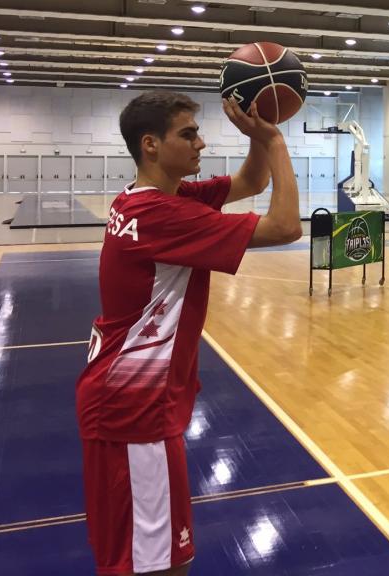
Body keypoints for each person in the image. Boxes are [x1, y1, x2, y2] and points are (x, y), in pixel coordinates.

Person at [75, 90, 302, 576]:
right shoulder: (162, 215)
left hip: (128, 401)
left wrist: (255, 135)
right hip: (133, 410)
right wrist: (277, 140)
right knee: (154, 565)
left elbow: (251, 180)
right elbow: (285, 227)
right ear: (151, 145)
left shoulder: (148, 199)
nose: (201, 142)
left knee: (151, 557)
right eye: (189, 134)